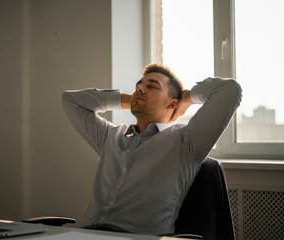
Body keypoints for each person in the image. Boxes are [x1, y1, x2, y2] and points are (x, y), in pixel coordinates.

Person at [61, 63, 242, 235]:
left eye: (152, 86)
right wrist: (130, 100)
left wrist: (186, 97)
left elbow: (230, 90)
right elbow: (70, 100)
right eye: (138, 86)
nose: (139, 89)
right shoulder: (111, 136)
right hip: (83, 233)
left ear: (172, 104)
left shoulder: (185, 142)